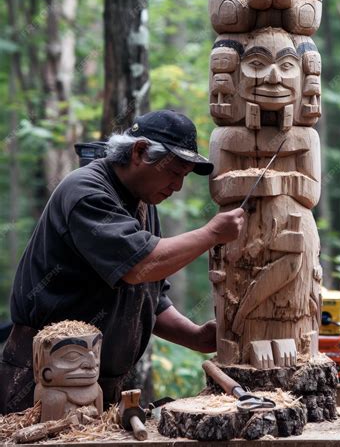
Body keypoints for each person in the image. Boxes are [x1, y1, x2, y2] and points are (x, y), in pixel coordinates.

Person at [0, 110, 245, 414]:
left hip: (100, 387)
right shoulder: (87, 192)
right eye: (174, 172)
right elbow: (139, 267)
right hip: (45, 383)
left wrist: (194, 336)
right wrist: (211, 234)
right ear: (140, 152)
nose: (178, 186)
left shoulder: (145, 200)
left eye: (183, 177)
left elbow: (151, 296)